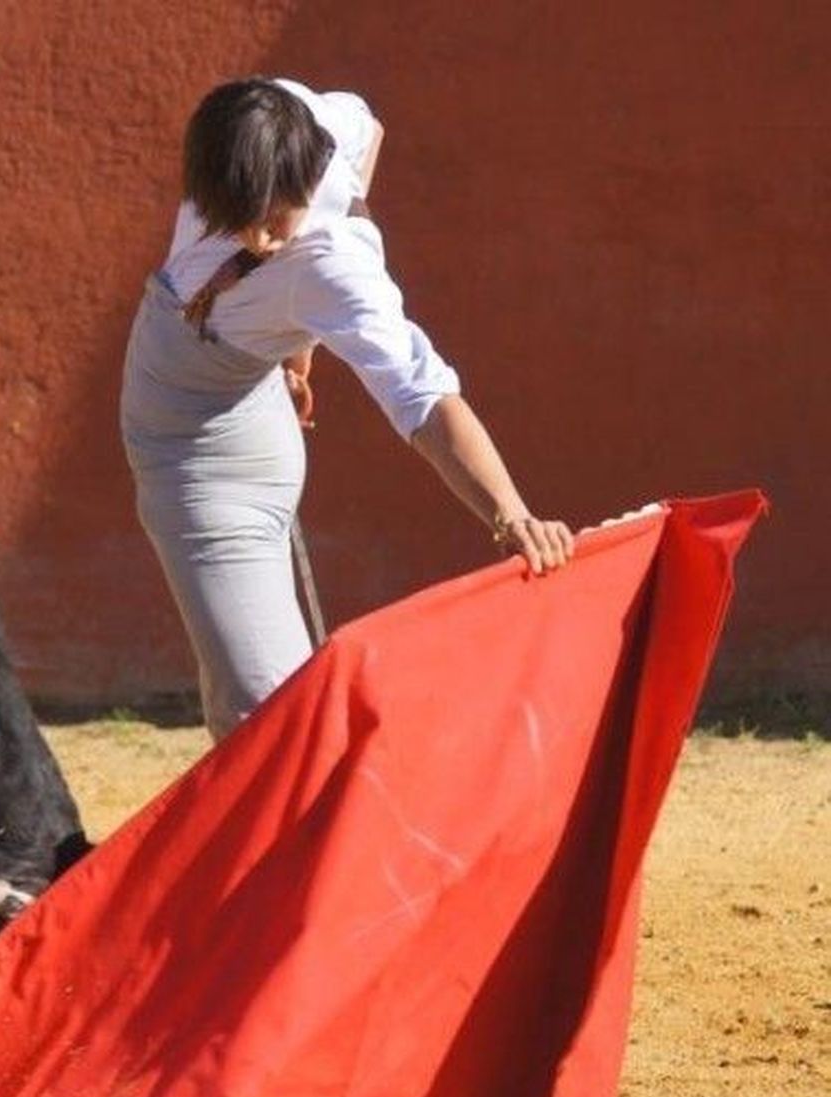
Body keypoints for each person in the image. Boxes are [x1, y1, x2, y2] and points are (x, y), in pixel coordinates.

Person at [121, 77, 574, 741]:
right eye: (239, 220)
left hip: (198, 467)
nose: (267, 241)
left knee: (270, 723)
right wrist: (298, 340)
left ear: (307, 176)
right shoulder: (280, 114)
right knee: (265, 707)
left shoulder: (334, 270)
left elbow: (424, 395)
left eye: (276, 221)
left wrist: (511, 515)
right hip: (244, 413)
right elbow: (368, 124)